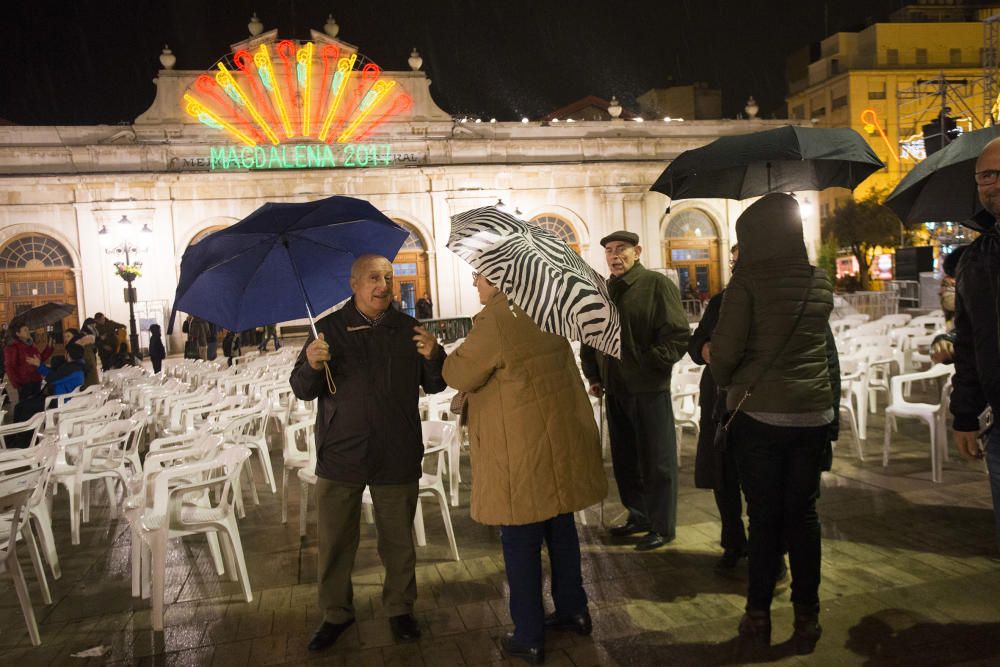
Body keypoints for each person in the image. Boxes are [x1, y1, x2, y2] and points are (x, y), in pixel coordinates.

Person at [442, 273, 606, 664]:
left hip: (520, 450)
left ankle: (528, 634)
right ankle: (574, 610)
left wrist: (438, 354)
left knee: (520, 539)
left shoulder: (497, 319)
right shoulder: (544, 309)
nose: (473, 282)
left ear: (498, 280)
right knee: (561, 530)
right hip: (555, 443)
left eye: (479, 275)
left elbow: (459, 374)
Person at [289, 254, 447, 653]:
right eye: (374, 278)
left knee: (398, 540)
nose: (384, 285)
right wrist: (310, 364)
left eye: (389, 277)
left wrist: (434, 356)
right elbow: (302, 388)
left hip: (396, 450)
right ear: (354, 284)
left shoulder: (408, 327)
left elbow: (434, 385)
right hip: (342, 453)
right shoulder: (327, 330)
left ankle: (399, 607)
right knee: (336, 540)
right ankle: (336, 613)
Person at [710, 193, 834, 655]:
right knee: (803, 517)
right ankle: (808, 621)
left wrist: (726, 375)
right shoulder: (820, 281)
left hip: (761, 416)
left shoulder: (747, 283)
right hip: (813, 415)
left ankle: (758, 617)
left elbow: (723, 356)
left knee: (763, 519)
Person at [580, 231, 690, 551]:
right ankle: (638, 515)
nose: (614, 256)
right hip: (615, 389)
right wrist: (594, 374)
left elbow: (677, 336)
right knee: (626, 459)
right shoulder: (604, 290)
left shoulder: (656, 286)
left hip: (648, 388)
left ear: (637, 252)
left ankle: (661, 525)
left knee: (656, 460)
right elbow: (592, 337)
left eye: (621, 250)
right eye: (609, 251)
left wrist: (646, 365)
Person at [952, 137, 1000, 558]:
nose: (994, 183)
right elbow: (967, 344)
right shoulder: (976, 259)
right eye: (986, 175)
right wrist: (964, 414)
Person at [690, 245, 748, 572]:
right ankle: (733, 543)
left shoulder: (766, 304)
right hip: (717, 403)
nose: (736, 268)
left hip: (752, 402)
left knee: (757, 483)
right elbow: (694, 343)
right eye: (733, 262)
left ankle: (766, 548)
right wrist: (704, 348)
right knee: (723, 479)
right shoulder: (718, 302)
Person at [3, 324, 53, 410]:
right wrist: (17, 384)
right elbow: (9, 366)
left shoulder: (31, 345)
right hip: (24, 382)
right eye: (25, 330)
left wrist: (49, 348)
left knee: (36, 405)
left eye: (28, 329)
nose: (28, 332)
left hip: (36, 379)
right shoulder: (12, 347)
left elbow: (39, 360)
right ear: (18, 333)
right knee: (26, 407)